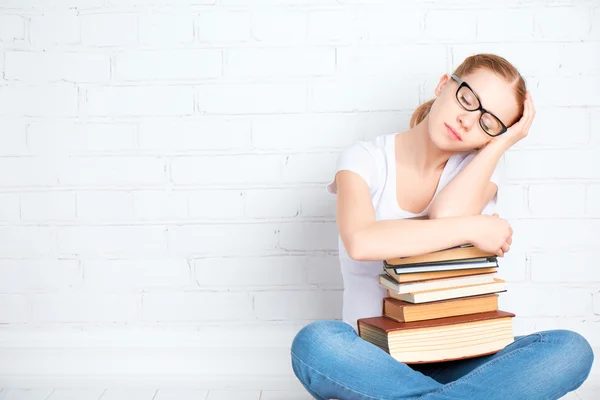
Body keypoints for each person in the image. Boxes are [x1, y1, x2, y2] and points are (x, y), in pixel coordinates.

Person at [290, 54, 594, 400]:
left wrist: (501, 144)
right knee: (316, 343)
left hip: (461, 358)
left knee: (570, 349)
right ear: (442, 85)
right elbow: (362, 241)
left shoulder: (478, 170)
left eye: (488, 123)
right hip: (372, 360)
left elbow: (446, 216)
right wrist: (473, 228)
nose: (467, 121)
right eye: (467, 99)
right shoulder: (365, 159)